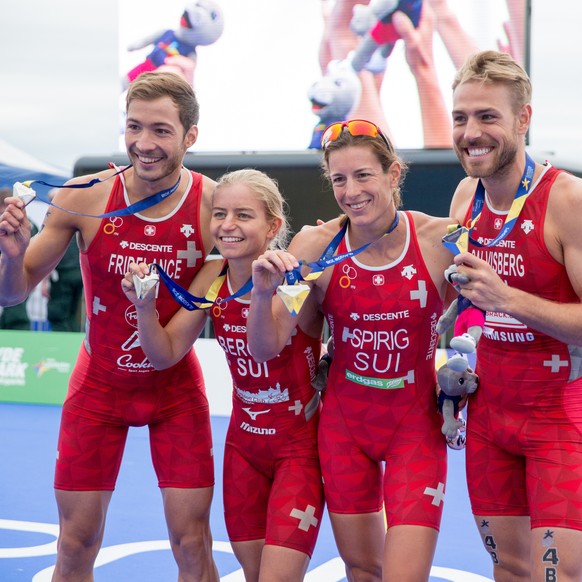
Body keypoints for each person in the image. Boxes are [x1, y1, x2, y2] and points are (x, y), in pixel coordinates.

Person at [0, 71, 219, 581]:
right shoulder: (84, 197)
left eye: (161, 131)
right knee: (75, 546)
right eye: (134, 127)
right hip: (98, 386)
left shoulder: (213, 206)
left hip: (175, 389)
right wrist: (11, 256)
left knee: (192, 545)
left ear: (191, 136)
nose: (144, 144)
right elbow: (13, 292)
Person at [247, 119, 456, 581]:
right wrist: (262, 295)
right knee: (363, 569)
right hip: (344, 429)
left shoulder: (439, 240)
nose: (350, 191)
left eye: (363, 175)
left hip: (415, 430)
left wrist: (462, 365)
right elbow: (266, 346)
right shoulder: (314, 246)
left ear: (394, 174)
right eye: (339, 179)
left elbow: (484, 311)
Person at [122, 169, 325, 581]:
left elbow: (263, 349)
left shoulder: (294, 280)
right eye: (220, 214)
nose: (228, 226)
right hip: (243, 449)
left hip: (298, 452)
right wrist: (144, 306)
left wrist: (263, 290)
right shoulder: (213, 276)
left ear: (273, 227)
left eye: (243, 215)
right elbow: (165, 353)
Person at [448, 50, 582, 580]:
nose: (470, 133)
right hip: (488, 419)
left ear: (523, 120)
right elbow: (458, 302)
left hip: (558, 419)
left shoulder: (567, 200)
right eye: (460, 118)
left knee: (561, 576)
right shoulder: (465, 198)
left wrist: (507, 299)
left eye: (487, 117)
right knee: (509, 570)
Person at [0, 187, 38, 330]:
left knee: (15, 312)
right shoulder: (31, 224)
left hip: (20, 273)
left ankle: (17, 338)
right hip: (23, 273)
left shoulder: (24, 225)